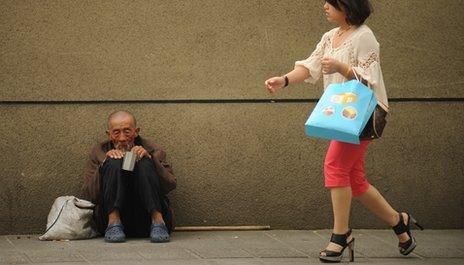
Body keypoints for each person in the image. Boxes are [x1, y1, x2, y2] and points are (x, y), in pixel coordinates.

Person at [264, 0, 423, 263]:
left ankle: (341, 234)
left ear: (347, 7)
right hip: (343, 114)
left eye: (331, 2)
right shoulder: (330, 36)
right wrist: (285, 80)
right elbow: (311, 65)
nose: (324, 6)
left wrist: (342, 68)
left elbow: (370, 78)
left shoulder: (364, 36)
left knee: (335, 165)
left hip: (363, 113)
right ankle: (400, 223)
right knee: (355, 180)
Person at [81, 110, 177, 243]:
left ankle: (158, 221)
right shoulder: (99, 151)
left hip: (146, 219)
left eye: (127, 131)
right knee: (112, 162)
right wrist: (105, 164)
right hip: (109, 221)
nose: (122, 138)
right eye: (116, 132)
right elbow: (89, 194)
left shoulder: (152, 148)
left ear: (136, 131)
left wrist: (151, 159)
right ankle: (114, 222)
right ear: (109, 134)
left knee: (144, 161)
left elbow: (170, 185)